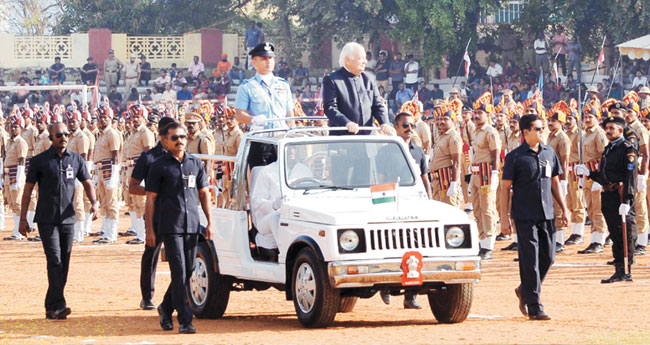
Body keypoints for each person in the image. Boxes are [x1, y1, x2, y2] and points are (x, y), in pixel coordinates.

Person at [19, 121, 98, 320]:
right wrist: (23, 219)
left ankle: (51, 305)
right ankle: (59, 304)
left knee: (65, 262)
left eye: (66, 134)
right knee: (54, 260)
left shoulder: (76, 160)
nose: (63, 137)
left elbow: (87, 182)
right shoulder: (39, 161)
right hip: (46, 219)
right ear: (50, 138)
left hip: (68, 218)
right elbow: (27, 189)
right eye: (58, 135)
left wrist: (94, 203)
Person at [145, 121, 213, 334]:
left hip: (192, 225)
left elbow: (204, 193)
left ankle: (165, 307)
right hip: (170, 226)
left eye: (183, 137)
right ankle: (185, 319)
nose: (180, 141)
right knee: (179, 270)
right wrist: (149, 230)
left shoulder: (195, 163)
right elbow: (150, 200)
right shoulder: (158, 166)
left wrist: (210, 222)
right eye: (175, 138)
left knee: (189, 270)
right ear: (165, 141)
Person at [501, 114, 569, 321]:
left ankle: (525, 289)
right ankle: (534, 304)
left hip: (547, 212)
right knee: (529, 259)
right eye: (538, 128)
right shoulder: (515, 157)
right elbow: (505, 188)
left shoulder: (549, 153)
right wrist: (504, 218)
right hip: (524, 214)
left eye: (543, 128)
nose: (542, 131)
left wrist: (564, 209)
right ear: (525, 133)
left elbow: (555, 182)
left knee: (549, 256)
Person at [575, 116, 637, 283]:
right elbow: (604, 175)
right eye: (606, 128)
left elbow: (630, 176)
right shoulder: (609, 149)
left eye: (612, 128)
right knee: (615, 234)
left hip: (620, 195)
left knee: (625, 234)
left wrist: (627, 200)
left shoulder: (627, 149)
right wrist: (590, 174)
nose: (608, 131)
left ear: (620, 130)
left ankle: (626, 270)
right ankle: (618, 269)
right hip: (608, 195)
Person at [378, 111, 428, 309]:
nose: (410, 129)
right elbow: (380, 179)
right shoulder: (385, 152)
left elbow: (425, 177)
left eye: (412, 126)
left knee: (415, 249)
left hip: (414, 202)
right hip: (392, 202)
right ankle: (386, 286)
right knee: (390, 245)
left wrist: (428, 199)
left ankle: (411, 296)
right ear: (396, 127)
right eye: (405, 126)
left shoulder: (418, 150)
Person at [130, 117, 176, 310]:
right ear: (161, 135)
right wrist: (152, 192)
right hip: (155, 213)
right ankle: (147, 296)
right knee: (151, 253)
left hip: (176, 213)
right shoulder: (148, 157)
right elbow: (132, 186)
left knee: (180, 256)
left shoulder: (181, 155)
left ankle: (177, 297)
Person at [322, 42, 390, 135]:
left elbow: (377, 105)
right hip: (343, 138)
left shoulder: (369, 79)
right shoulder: (332, 80)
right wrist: (347, 123)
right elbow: (330, 108)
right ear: (348, 60)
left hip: (367, 138)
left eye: (365, 58)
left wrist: (384, 122)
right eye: (361, 58)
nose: (365, 62)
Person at [235, 42, 295, 131]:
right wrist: (253, 119)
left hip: (282, 135)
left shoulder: (283, 85)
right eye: (263, 59)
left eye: (270, 58)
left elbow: (289, 114)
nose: (268, 62)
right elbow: (239, 115)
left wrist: (292, 131)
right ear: (254, 62)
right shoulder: (246, 87)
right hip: (260, 137)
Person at [470, 93, 501, 259]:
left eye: (479, 113)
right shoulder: (476, 132)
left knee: (487, 208)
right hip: (476, 172)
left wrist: (495, 173)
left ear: (487, 115)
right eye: (475, 113)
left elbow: (495, 154)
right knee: (476, 209)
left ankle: (489, 243)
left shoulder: (491, 132)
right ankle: (482, 241)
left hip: (486, 173)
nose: (476, 115)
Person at [577, 103, 609, 253]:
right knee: (590, 208)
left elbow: (604, 157)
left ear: (597, 118)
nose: (588, 119)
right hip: (587, 175)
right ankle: (594, 238)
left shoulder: (599, 134)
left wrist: (601, 179)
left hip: (596, 175)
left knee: (598, 210)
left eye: (591, 117)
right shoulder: (585, 134)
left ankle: (599, 241)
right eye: (586, 117)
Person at [123, 105, 155, 244]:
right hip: (130, 169)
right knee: (133, 202)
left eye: (138, 117)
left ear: (144, 118)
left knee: (141, 203)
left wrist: (146, 173)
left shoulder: (145, 133)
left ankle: (143, 234)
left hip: (140, 169)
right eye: (133, 116)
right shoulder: (132, 133)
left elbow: (149, 153)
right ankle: (138, 231)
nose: (135, 119)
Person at [622, 96, 649, 254]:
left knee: (640, 206)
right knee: (631, 206)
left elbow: (646, 155)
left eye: (630, 111)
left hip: (638, 171)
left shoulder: (640, 129)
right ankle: (635, 238)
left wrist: (642, 176)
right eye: (626, 111)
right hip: (628, 171)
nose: (627, 114)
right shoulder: (626, 128)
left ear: (637, 114)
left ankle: (643, 242)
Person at [91, 106, 121, 244]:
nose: (102, 120)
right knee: (104, 202)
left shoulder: (112, 134)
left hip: (109, 169)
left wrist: (114, 176)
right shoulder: (100, 135)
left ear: (110, 119)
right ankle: (106, 232)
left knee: (111, 202)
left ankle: (112, 233)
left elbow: (115, 155)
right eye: (100, 118)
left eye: (105, 118)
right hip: (101, 169)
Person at [546, 102, 571, 252]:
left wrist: (564, 181)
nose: (550, 123)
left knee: (559, 209)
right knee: (552, 208)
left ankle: (559, 241)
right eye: (549, 120)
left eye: (553, 121)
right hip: (550, 175)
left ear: (560, 122)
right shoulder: (550, 136)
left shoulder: (562, 138)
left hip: (558, 176)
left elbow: (565, 160)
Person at [64, 110, 90, 243]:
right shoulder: (69, 137)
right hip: (68, 174)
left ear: (79, 122)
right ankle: (73, 231)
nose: (71, 124)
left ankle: (79, 233)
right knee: (70, 203)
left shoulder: (82, 138)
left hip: (77, 174)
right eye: (69, 122)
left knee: (78, 203)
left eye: (73, 121)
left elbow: (84, 158)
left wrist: (81, 177)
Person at [430, 105, 462, 206]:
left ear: (453, 121)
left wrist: (453, 183)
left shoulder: (453, 136)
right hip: (437, 178)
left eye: (445, 119)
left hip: (446, 178)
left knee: (450, 209)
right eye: (439, 119)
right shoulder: (441, 136)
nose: (441, 122)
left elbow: (456, 162)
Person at [3, 117, 28, 240]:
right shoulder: (9, 142)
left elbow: (21, 161)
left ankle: (19, 231)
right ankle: (15, 229)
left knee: (18, 203)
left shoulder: (21, 142)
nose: (13, 129)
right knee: (12, 203)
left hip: (15, 175)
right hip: (8, 175)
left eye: (16, 126)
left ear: (21, 128)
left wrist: (18, 179)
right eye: (11, 126)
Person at [564, 112, 587, 246]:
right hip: (567, 170)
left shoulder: (580, 134)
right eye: (566, 118)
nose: (567, 121)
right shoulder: (565, 134)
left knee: (578, 201)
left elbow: (581, 154)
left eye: (570, 118)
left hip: (576, 169)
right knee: (570, 202)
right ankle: (574, 231)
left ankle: (579, 233)